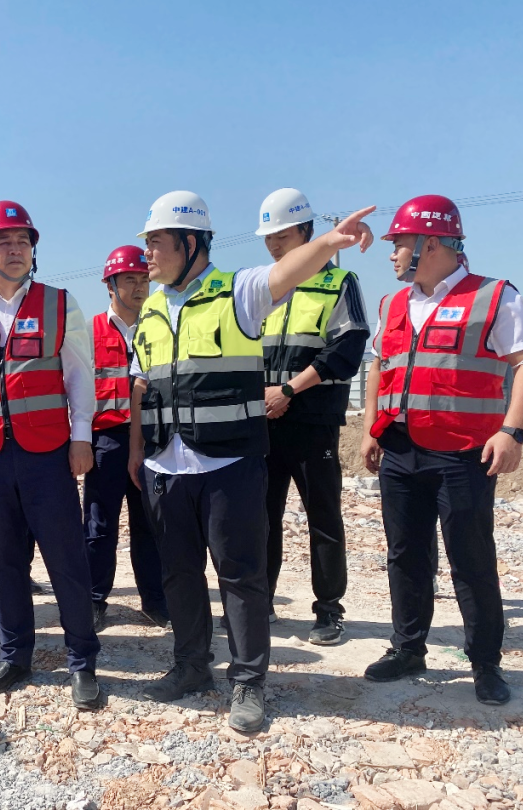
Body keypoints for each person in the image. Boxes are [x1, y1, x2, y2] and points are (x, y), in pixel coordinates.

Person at [128, 190, 374, 732]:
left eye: (157, 242)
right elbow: (141, 382)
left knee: (240, 576)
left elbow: (285, 273)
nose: (148, 253)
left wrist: (330, 241)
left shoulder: (237, 291)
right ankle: (191, 666)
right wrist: (137, 452)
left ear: (191, 244)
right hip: (166, 466)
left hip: (228, 465)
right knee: (179, 574)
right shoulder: (151, 308)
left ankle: (248, 682)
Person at [360, 194, 523, 705]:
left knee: (471, 558)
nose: (392, 253)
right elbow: (379, 364)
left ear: (431, 244)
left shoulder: (494, 296)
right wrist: (371, 427)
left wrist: (512, 431)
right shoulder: (392, 304)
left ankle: (485, 663)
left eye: (400, 243)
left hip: (463, 453)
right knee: (405, 554)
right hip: (400, 448)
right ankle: (408, 648)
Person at [0, 201, 102, 710]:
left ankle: (82, 661)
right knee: (3, 561)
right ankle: (15, 656)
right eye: (4, 242)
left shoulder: (59, 303)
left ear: (33, 249)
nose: (15, 250)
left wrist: (81, 436)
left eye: (23, 241)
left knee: (65, 558)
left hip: (47, 453)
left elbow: (80, 375)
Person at [255, 189, 369, 645]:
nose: (274, 246)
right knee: (260, 517)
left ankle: (328, 610)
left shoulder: (339, 283)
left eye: (282, 236)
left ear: (306, 231)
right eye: (269, 238)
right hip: (263, 422)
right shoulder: (264, 286)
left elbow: (348, 348)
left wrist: (289, 390)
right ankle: (259, 602)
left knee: (323, 517)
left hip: (312, 421)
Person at [84, 245, 168, 632]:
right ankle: (93, 599)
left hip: (153, 438)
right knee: (99, 524)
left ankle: (155, 600)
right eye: (129, 279)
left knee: (150, 523)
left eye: (143, 279)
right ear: (110, 285)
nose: (138, 287)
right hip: (106, 439)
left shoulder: (161, 326)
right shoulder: (88, 332)